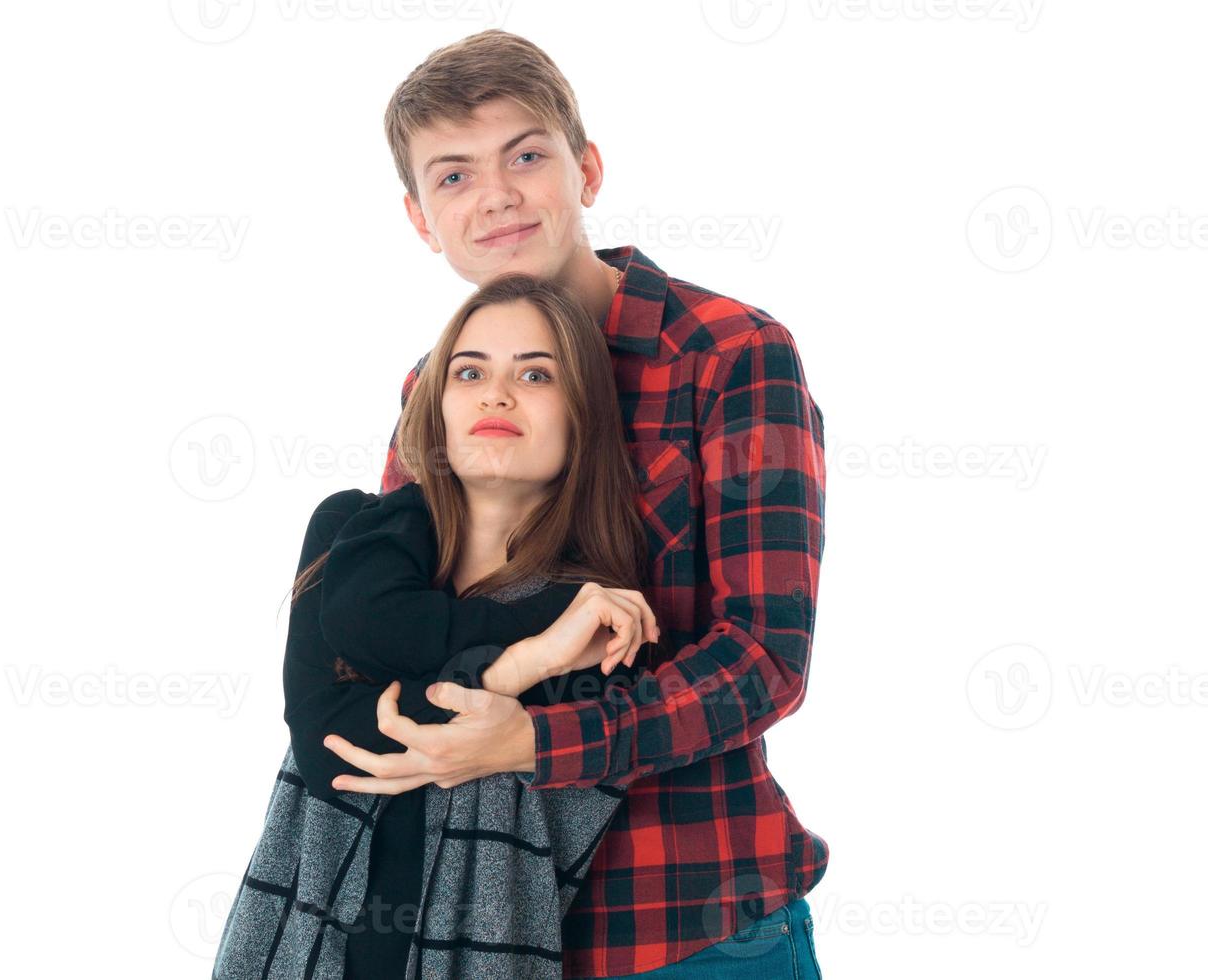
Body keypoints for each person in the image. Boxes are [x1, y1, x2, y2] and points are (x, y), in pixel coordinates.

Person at [322, 29, 830, 978]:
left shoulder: (729, 355)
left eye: (526, 155)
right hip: (481, 929)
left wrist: (535, 741)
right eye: (454, 176)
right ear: (421, 218)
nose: (498, 196)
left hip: (693, 924)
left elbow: (765, 658)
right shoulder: (435, 391)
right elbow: (385, 642)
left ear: (586, 169)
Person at [212, 273, 664, 979]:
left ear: (583, 418)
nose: (496, 394)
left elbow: (386, 735)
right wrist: (515, 669)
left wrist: (536, 660)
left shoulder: (592, 615)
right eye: (469, 370)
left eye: (536, 374)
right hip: (289, 954)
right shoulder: (350, 533)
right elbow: (329, 740)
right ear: (438, 406)